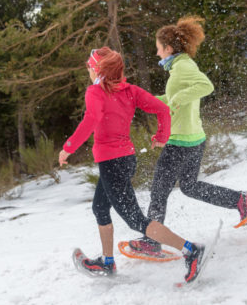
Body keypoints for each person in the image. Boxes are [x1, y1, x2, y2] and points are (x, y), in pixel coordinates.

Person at [58, 46, 206, 283]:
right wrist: (162, 136)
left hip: (112, 163)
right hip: (126, 160)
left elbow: (91, 119)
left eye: (89, 65)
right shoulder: (129, 91)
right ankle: (107, 262)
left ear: (98, 70)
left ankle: (191, 250)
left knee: (136, 221)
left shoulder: (95, 92)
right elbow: (162, 110)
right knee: (100, 208)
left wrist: (68, 148)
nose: (87, 68)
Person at [129, 17, 247, 255]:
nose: (156, 53)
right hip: (193, 139)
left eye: (158, 48)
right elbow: (175, 97)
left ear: (168, 48)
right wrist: (146, 101)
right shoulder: (180, 65)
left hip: (180, 142)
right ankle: (240, 200)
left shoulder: (183, 66)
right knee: (189, 186)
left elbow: (206, 86)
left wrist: (176, 99)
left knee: (158, 190)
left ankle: (151, 240)